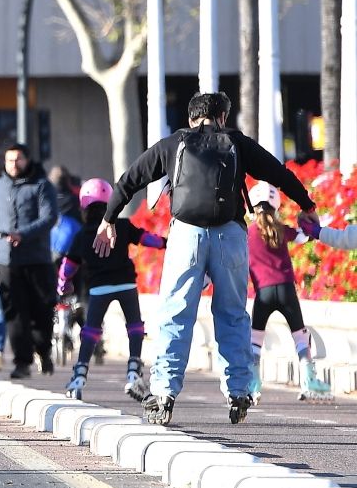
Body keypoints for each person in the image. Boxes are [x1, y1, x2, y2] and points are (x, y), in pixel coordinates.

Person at [98, 91, 316, 426]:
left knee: (176, 312)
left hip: (186, 234)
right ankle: (239, 391)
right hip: (229, 235)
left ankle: (163, 394)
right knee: (231, 314)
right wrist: (307, 205)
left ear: (191, 118)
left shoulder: (174, 143)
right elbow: (278, 172)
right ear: (223, 117)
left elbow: (131, 179)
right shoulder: (237, 143)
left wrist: (109, 218)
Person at [57, 179, 164, 402]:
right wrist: (167, 242)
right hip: (127, 284)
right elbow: (148, 239)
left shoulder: (82, 235)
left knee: (91, 331)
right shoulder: (123, 226)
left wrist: (62, 285)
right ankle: (134, 371)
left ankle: (79, 377)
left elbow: (68, 266)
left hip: (99, 288)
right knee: (135, 326)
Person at [246, 184, 331, 402]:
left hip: (263, 293)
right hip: (286, 290)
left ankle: (253, 386)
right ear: (275, 206)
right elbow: (305, 237)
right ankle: (309, 382)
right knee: (300, 337)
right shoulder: (281, 229)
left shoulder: (247, 234)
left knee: (255, 340)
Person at [0, 143, 59, 379]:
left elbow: (49, 217)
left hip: (38, 260)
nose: (13, 164)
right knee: (15, 314)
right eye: (9, 160)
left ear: (27, 160)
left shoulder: (42, 185)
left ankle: (43, 350)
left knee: (42, 311)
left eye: (18, 160)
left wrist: (22, 234)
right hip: (7, 261)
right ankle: (22, 362)